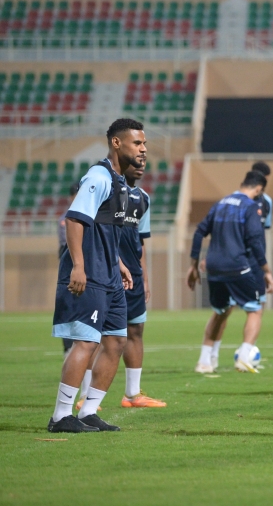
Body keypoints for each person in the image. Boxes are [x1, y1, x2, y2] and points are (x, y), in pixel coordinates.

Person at [48, 118, 146, 433]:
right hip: (88, 276)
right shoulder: (99, 176)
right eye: (137, 143)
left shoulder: (120, 184)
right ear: (117, 143)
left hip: (110, 277)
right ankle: (61, 416)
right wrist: (78, 265)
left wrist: (117, 262)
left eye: (144, 144)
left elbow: (103, 229)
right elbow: (75, 221)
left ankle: (89, 411)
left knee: (116, 341)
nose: (142, 149)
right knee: (86, 344)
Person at [78, 157, 166, 409]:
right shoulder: (107, 189)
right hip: (104, 271)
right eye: (135, 160)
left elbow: (141, 242)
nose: (141, 164)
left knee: (135, 331)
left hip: (133, 278)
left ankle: (132, 394)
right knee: (94, 335)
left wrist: (145, 278)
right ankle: (85, 395)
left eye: (144, 161)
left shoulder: (143, 199)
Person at [187, 170, 273, 374]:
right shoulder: (250, 206)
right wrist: (266, 270)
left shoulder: (221, 203)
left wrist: (193, 264)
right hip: (238, 266)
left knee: (219, 312)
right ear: (259, 189)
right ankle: (244, 357)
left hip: (214, 267)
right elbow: (254, 239)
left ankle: (204, 362)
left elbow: (199, 231)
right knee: (255, 309)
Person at [57, 181, 81, 358]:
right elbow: (66, 245)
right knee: (68, 307)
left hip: (83, 265)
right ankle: (67, 349)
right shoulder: (66, 219)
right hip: (70, 264)